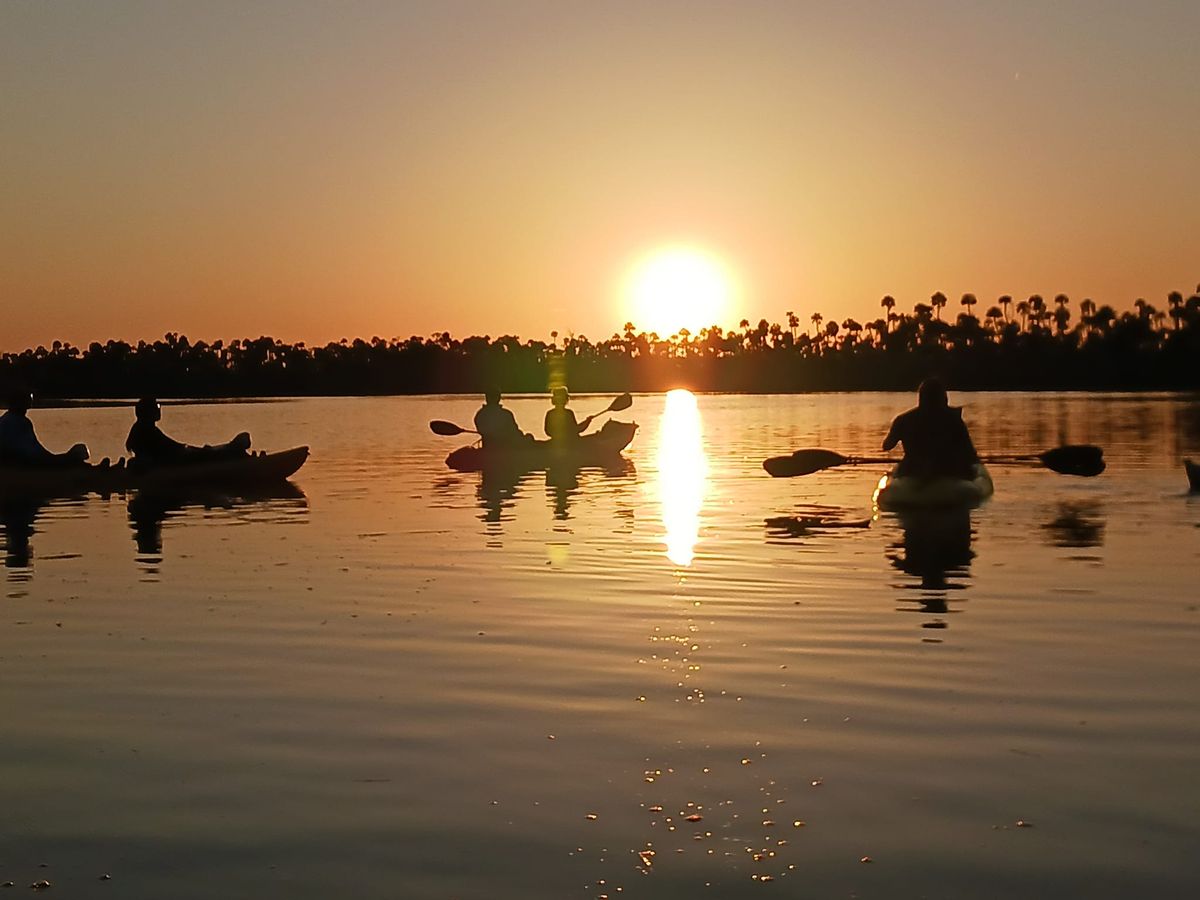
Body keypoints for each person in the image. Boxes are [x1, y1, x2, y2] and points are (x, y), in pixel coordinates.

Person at [882, 378, 979, 479]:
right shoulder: (954, 420)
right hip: (948, 470)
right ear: (943, 398)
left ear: (921, 398)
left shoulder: (903, 420)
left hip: (914, 470)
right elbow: (970, 453)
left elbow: (887, 446)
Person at [126, 397, 250, 468]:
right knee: (208, 453)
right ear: (147, 412)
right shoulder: (146, 430)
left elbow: (171, 446)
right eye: (157, 407)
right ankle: (235, 453)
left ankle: (234, 451)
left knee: (206, 451)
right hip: (171, 463)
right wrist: (194, 450)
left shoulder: (142, 429)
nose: (159, 410)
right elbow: (171, 447)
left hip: (171, 460)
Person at [0, 387, 91, 467]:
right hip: (22, 463)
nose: (30, 400)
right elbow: (19, 450)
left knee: (78, 451)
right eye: (27, 398)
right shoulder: (8, 422)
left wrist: (52, 458)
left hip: (31, 460)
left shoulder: (24, 421)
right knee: (70, 459)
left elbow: (36, 447)